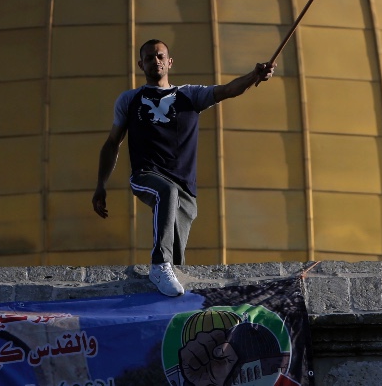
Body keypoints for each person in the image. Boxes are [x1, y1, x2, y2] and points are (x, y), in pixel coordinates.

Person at [92, 38, 275, 297]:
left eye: (159, 56)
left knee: (177, 252)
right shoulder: (130, 100)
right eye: (148, 57)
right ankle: (158, 265)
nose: (155, 61)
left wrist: (254, 75)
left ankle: (167, 289)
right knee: (165, 193)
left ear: (169, 62)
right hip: (146, 175)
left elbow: (228, 90)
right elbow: (112, 143)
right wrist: (101, 185)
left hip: (184, 186)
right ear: (140, 64)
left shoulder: (189, 95)